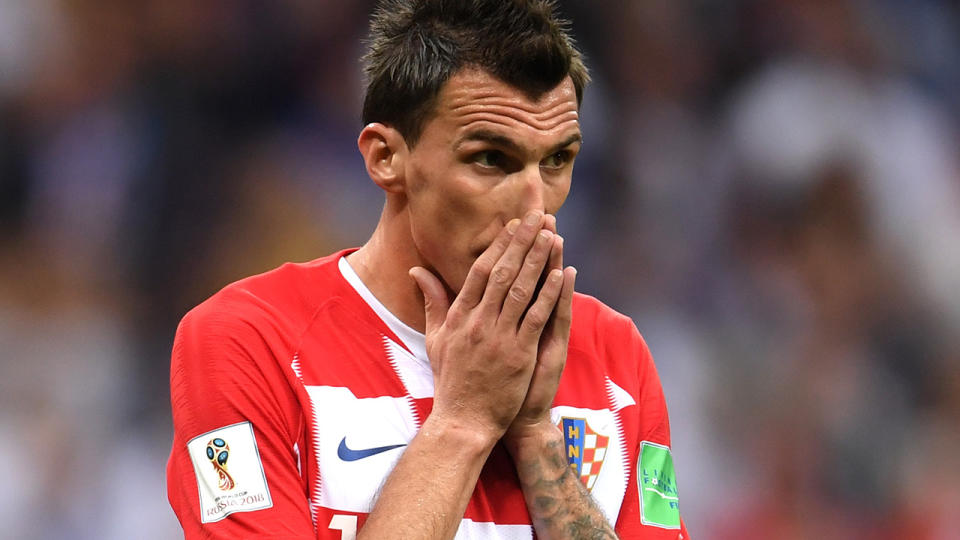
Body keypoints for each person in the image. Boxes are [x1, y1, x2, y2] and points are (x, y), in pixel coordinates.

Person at [166, 1, 690, 538]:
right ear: (385, 157)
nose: (537, 208)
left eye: (557, 160)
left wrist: (535, 436)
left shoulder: (615, 357)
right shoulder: (247, 342)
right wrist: (463, 421)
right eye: (491, 158)